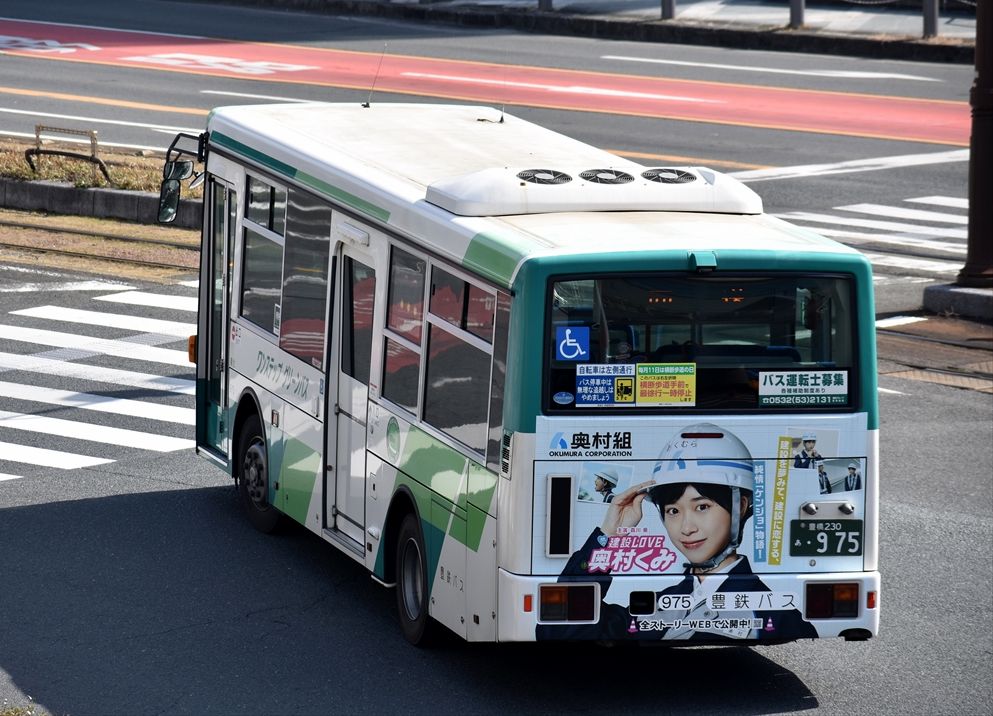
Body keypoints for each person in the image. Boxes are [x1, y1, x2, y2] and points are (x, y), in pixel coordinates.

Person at [536, 423, 817, 642]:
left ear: (740, 506)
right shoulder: (659, 607)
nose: (686, 528)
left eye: (702, 506)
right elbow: (560, 627)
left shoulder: (780, 617)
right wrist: (610, 535)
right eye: (673, 511)